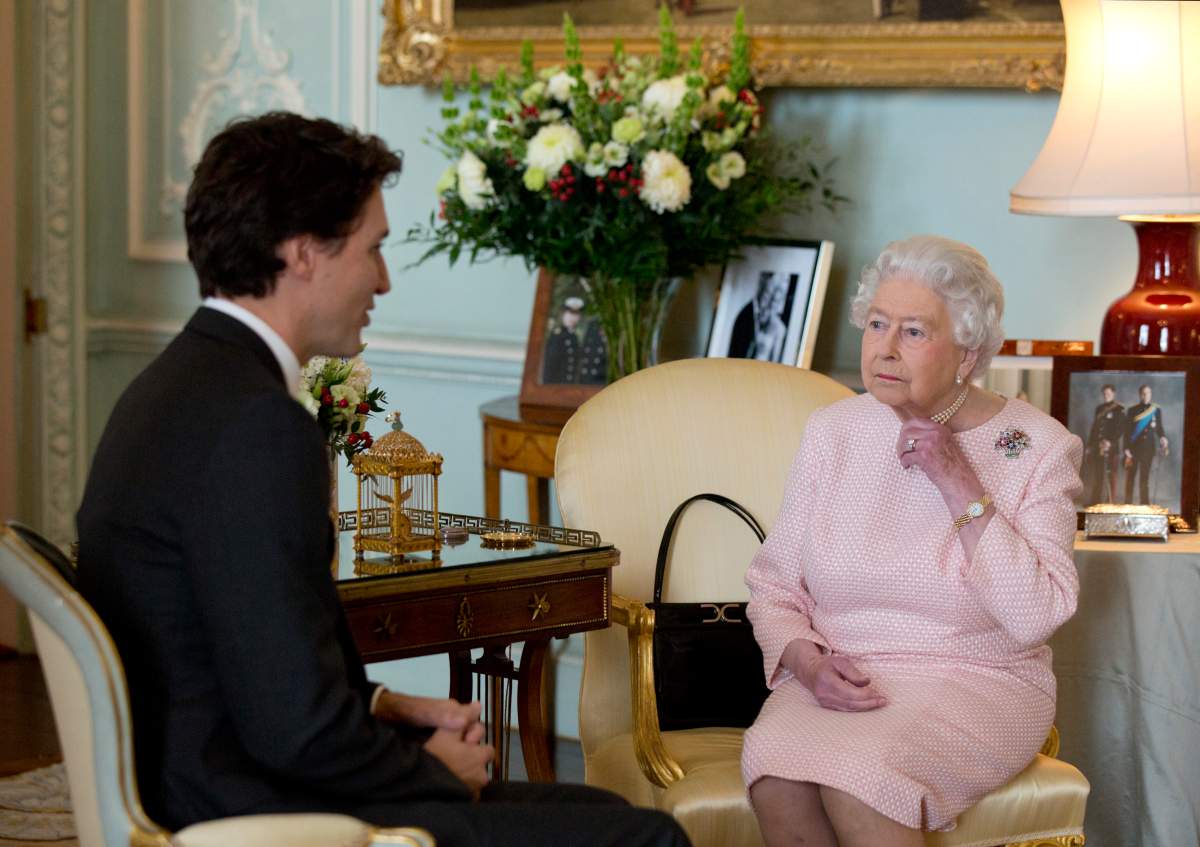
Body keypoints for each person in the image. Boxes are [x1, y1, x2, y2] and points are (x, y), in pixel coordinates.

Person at [76, 112, 689, 847]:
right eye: (374, 249)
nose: (384, 279)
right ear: (305, 253)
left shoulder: (170, 387)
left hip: (210, 775)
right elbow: (294, 730)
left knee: (612, 820)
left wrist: (392, 706)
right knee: (648, 839)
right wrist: (433, 770)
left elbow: (252, 660)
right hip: (255, 810)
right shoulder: (257, 426)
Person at [741, 235, 1082, 846]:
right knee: (775, 776)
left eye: (915, 332)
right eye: (877, 324)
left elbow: (1036, 614)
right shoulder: (833, 432)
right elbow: (773, 587)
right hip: (838, 675)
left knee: (860, 779)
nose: (886, 349)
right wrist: (807, 663)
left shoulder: (1038, 447)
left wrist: (958, 480)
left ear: (968, 354)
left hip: (981, 677)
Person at [1122, 383, 1169, 505]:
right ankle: (1128, 504)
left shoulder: (1156, 410)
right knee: (1130, 478)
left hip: (1148, 449)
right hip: (1133, 449)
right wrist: (1126, 448)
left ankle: (1144, 504)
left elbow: (1159, 427)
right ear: (1140, 394)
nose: (1145, 395)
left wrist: (1163, 437)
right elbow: (1127, 431)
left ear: (1150, 394)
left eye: (1148, 393)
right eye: (1143, 393)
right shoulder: (1132, 410)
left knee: (1144, 478)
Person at [728, 271, 788, 361]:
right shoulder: (748, 315)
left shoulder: (778, 329)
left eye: (775, 300)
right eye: (767, 295)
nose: (769, 304)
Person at [1083, 383, 1124, 505]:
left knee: (1111, 476)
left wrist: (1110, 442)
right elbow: (1095, 429)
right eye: (1105, 393)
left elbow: (1120, 429)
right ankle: (1095, 501)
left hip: (1112, 448)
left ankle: (1110, 502)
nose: (1106, 395)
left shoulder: (1119, 409)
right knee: (1099, 475)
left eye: (1109, 393)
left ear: (1113, 394)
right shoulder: (1099, 409)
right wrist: (1090, 445)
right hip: (1098, 447)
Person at [541, 296, 584, 383]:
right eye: (570, 313)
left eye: (576, 314)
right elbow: (550, 366)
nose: (573, 318)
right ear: (563, 314)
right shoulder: (557, 336)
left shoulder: (575, 337)